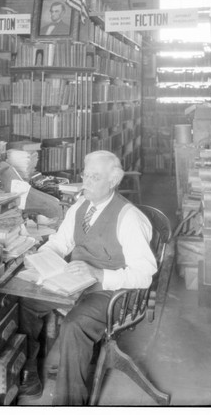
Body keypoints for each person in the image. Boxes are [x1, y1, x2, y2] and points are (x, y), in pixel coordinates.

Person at [18, 150, 157, 405]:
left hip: (111, 291)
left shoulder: (130, 218)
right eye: (85, 175)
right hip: (75, 281)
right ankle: (29, 373)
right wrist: (45, 256)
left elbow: (144, 275)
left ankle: (68, 404)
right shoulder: (81, 206)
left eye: (95, 177)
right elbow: (60, 241)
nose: (86, 183)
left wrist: (98, 274)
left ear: (113, 181)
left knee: (74, 325)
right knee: (26, 302)